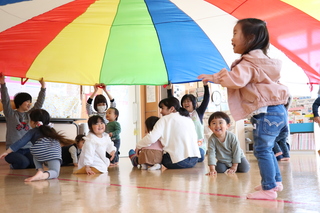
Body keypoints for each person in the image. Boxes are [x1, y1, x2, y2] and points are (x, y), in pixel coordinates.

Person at [198, 18, 289, 200]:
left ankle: (269, 189)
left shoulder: (248, 62)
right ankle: (275, 182)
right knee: (268, 149)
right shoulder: (266, 61)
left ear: (250, 38)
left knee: (261, 150)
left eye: (235, 33)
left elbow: (235, 80)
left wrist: (214, 77)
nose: (232, 38)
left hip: (266, 113)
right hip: (279, 111)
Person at [0, 109, 74, 181]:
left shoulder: (32, 131)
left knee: (35, 149)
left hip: (39, 153)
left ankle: (40, 170)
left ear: (33, 122)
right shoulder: (52, 130)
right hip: (53, 154)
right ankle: (43, 175)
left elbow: (21, 142)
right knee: (55, 172)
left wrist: (7, 152)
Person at [130, 97, 200, 169]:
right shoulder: (188, 119)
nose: (160, 112)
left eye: (162, 108)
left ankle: (136, 160)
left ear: (172, 109)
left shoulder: (164, 119)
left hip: (179, 162)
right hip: (194, 160)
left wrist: (138, 145)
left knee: (156, 156)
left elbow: (151, 138)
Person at [0, 73, 46, 169]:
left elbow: (39, 104)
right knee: (23, 163)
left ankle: (23, 161)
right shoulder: (10, 114)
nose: (29, 104)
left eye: (30, 101)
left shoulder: (30, 114)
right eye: (27, 101)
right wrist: (3, 84)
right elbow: (5, 100)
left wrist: (43, 88)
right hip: (13, 150)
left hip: (28, 149)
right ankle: (14, 164)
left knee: (35, 164)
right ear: (20, 102)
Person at [167, 81, 210, 162]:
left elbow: (206, 99)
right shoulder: (180, 113)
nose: (185, 103)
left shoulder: (198, 113)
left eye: (188, 101)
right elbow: (172, 102)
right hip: (185, 147)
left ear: (193, 103)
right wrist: (169, 89)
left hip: (198, 147)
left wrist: (205, 85)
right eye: (184, 102)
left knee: (200, 155)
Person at [206, 111, 250, 176]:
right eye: (214, 123)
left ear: (228, 125)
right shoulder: (211, 139)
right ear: (209, 127)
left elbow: (236, 151)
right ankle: (228, 167)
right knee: (219, 170)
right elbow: (211, 154)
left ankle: (234, 167)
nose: (217, 126)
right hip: (223, 160)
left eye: (220, 122)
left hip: (238, 157)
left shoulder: (232, 136)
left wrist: (234, 166)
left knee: (244, 169)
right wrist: (212, 169)